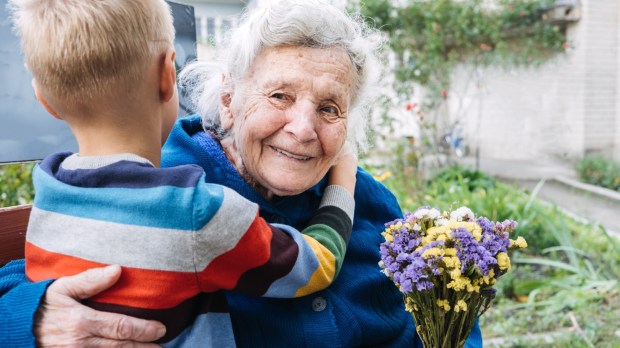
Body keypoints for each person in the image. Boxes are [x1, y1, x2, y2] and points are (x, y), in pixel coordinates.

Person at [0, 0, 484, 347]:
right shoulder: (157, 186)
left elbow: (442, 305)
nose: (303, 129)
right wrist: (35, 318)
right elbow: (27, 278)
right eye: (280, 96)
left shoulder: (370, 199)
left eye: (330, 108)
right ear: (229, 99)